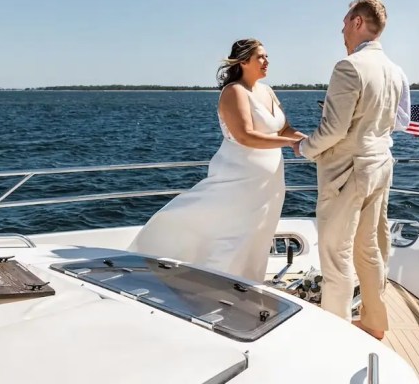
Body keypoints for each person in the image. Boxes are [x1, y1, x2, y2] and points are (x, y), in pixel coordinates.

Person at [128, 38, 304, 282]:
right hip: (238, 182)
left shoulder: (268, 91)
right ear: (243, 61)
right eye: (260, 57)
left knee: (258, 234)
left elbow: (284, 129)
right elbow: (245, 135)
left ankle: (248, 286)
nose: (266, 61)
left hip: (269, 184)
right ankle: (216, 285)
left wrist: (311, 141)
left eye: (267, 56)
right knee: (231, 237)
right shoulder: (234, 91)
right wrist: (290, 144)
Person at [293, 0, 410, 340]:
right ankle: (374, 323)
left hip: (349, 171)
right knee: (369, 248)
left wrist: (303, 147)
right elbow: (399, 122)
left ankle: (336, 336)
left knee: (335, 254)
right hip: (381, 165)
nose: (342, 30)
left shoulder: (349, 67)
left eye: (345, 23)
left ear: (358, 22)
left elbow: (333, 130)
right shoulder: (396, 70)